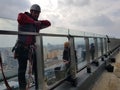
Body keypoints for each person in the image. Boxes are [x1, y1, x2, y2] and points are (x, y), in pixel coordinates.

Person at [13, 4, 51, 90]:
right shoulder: (24, 18)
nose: (37, 14)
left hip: (30, 49)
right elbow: (20, 17)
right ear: (31, 12)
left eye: (38, 13)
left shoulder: (36, 23)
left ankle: (39, 86)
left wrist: (38, 22)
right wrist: (33, 22)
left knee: (37, 68)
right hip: (22, 48)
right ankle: (22, 88)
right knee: (22, 71)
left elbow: (48, 23)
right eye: (35, 12)